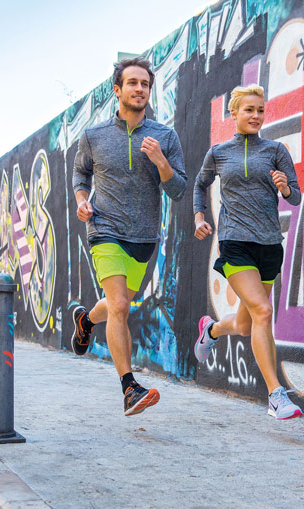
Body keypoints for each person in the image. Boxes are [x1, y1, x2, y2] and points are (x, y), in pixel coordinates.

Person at [71, 57, 187, 416]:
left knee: (118, 303)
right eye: (133, 83)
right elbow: (80, 176)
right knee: (120, 305)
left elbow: (179, 190)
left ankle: (86, 320)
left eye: (145, 84)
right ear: (117, 90)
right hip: (105, 229)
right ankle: (129, 388)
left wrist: (160, 161)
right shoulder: (94, 136)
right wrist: (81, 201)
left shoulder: (165, 137)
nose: (140, 89)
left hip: (144, 237)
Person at [192, 84, 303, 420]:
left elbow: (295, 197)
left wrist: (284, 187)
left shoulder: (275, 150)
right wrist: (200, 216)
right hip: (235, 242)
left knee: (245, 323)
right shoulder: (219, 152)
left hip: (269, 245)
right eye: (249, 110)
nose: (256, 116)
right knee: (263, 312)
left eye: (260, 110)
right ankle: (275, 394)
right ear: (234, 113)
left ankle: (210, 330)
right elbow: (200, 184)